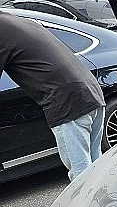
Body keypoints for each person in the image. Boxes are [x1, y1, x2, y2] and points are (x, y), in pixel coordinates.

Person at [0, 11, 105, 181]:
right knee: (96, 167)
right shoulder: (15, 21)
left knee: (81, 175)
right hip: (91, 92)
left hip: (68, 102)